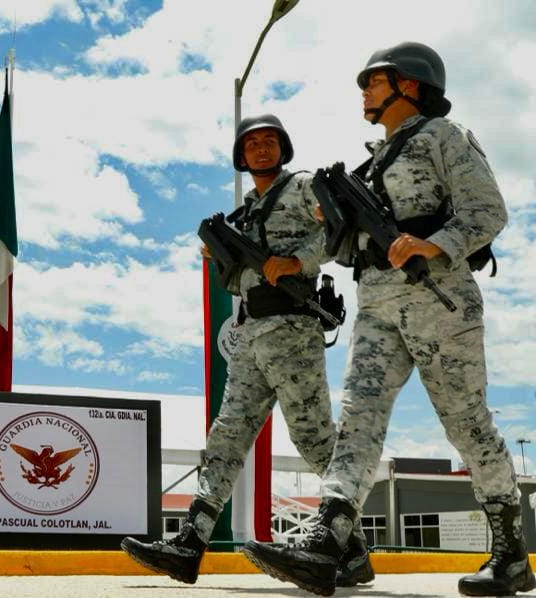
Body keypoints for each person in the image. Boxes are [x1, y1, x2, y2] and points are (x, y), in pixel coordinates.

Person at [243, 42, 534, 598]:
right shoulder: (371, 162)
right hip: (377, 302)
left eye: (374, 81)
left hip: (438, 297)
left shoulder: (445, 138)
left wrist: (431, 244)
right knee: (358, 417)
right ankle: (329, 539)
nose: (365, 90)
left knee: (466, 422)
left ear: (411, 84)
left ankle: (510, 551)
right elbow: (348, 248)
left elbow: (487, 211)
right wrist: (339, 228)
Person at [120, 114, 372, 588]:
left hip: (293, 328)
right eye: (251, 143)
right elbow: (237, 277)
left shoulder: (301, 189)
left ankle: (349, 546)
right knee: (226, 436)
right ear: (241, 156)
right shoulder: (244, 214)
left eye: (269, 141)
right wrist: (222, 259)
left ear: (283, 147)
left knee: (314, 439)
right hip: (253, 329)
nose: (260, 149)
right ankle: (189, 544)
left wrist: (298, 260)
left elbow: (340, 233)